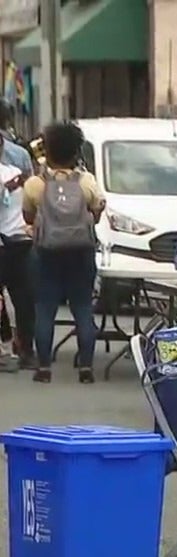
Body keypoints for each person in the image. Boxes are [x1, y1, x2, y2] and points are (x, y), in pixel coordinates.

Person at [22, 121, 105, 384]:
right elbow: (97, 212)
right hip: (81, 252)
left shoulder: (35, 184)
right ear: (76, 151)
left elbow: (28, 215)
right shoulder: (87, 181)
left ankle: (44, 367)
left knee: (44, 309)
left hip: (46, 252)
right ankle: (86, 368)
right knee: (82, 308)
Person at [0, 120, 37, 372]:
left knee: (15, 300)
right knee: (24, 300)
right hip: (22, 242)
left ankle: (8, 348)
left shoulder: (14, 173)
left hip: (6, 242)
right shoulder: (19, 172)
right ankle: (26, 350)